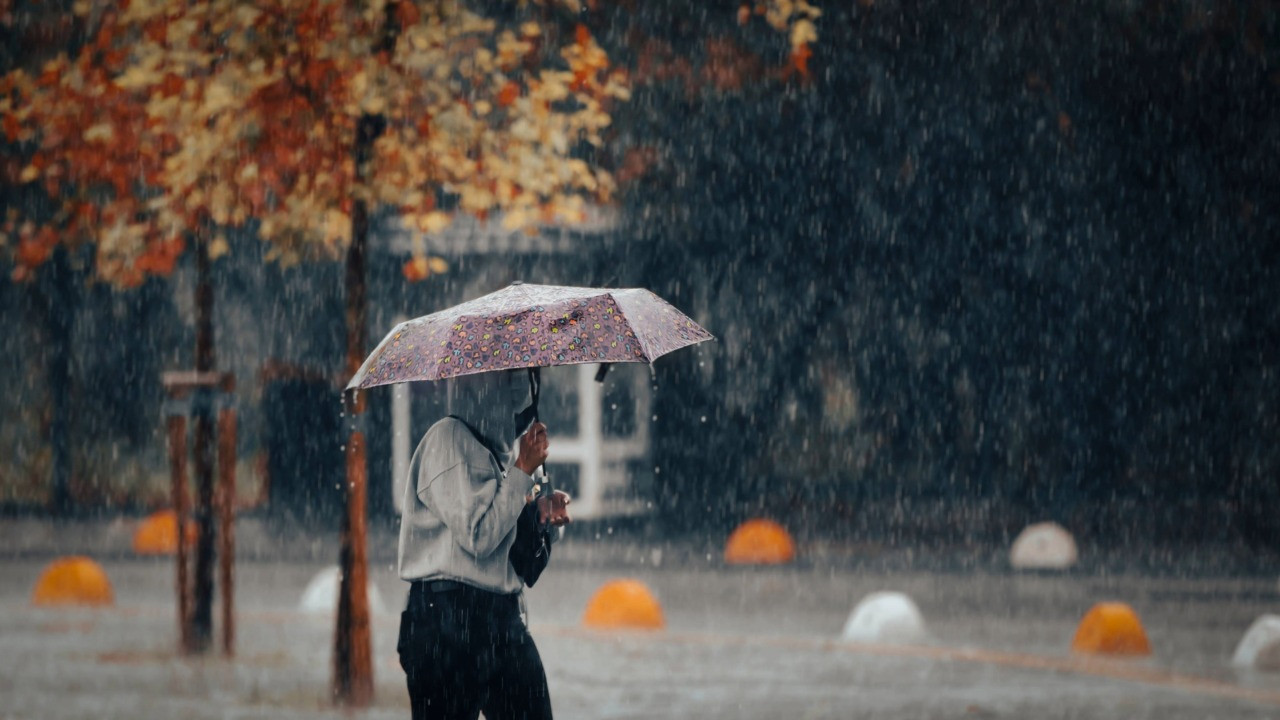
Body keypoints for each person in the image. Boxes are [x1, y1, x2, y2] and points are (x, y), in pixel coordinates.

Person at [396, 369, 572, 720]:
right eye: (511, 381)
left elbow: (510, 545)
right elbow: (479, 536)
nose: (521, 398)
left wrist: (544, 518)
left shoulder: (505, 453)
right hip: (445, 619)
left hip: (501, 618)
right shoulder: (446, 442)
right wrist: (522, 470)